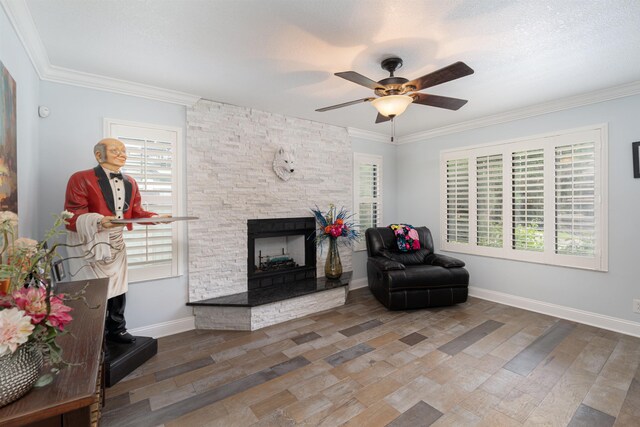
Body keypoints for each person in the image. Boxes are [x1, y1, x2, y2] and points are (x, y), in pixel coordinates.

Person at [64, 138, 163, 344]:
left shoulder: (131, 182)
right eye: (115, 150)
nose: (122, 153)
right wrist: (100, 222)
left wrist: (153, 218)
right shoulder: (80, 178)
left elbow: (135, 212)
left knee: (118, 286)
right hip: (89, 243)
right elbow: (72, 216)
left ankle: (117, 329)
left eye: (124, 150)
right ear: (99, 155)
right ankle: (92, 335)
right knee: (92, 289)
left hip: (116, 242)